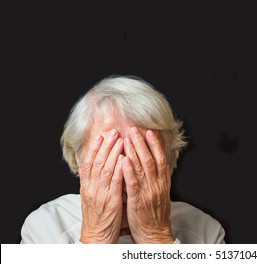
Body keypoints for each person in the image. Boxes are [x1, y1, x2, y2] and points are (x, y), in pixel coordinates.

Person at [20, 74, 226, 244]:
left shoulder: (205, 231)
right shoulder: (44, 227)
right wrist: (96, 238)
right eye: (109, 157)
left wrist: (156, 237)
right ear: (79, 159)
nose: (127, 180)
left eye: (141, 157)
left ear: (167, 160)